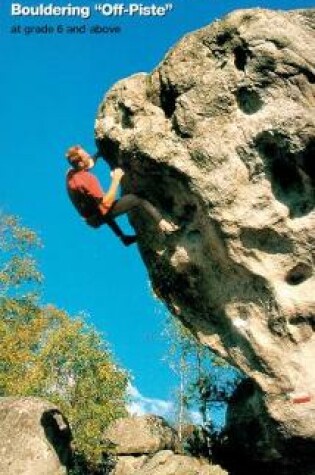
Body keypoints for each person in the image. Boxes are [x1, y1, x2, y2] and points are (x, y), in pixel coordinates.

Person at [65, 145, 177, 246]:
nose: (88, 155)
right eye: (85, 155)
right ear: (80, 163)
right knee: (137, 199)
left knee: (99, 208)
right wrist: (116, 179)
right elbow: (106, 203)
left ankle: (123, 238)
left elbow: (88, 164)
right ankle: (164, 225)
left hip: (90, 217)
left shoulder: (71, 173)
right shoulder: (88, 180)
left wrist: (99, 154)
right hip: (98, 214)